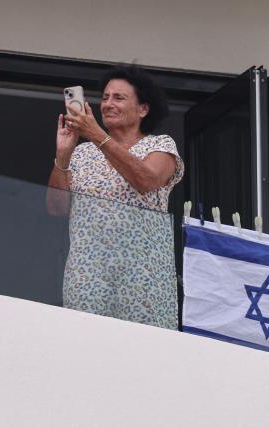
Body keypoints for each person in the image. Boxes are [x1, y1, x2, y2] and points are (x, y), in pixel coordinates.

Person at [47, 65, 183, 329]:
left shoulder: (160, 146)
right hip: (87, 275)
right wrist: (63, 155)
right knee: (87, 351)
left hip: (143, 277)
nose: (108, 104)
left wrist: (96, 134)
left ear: (143, 109)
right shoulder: (83, 154)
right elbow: (56, 208)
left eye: (119, 98)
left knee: (141, 358)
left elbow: (145, 180)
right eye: (106, 97)